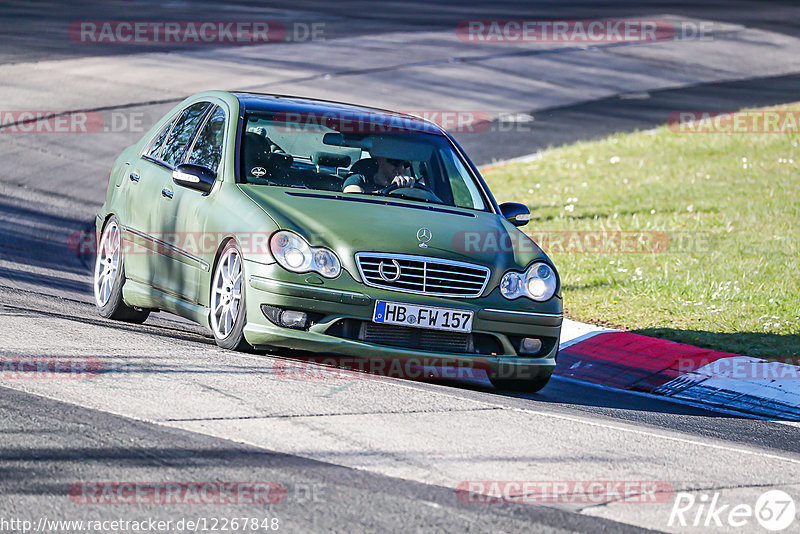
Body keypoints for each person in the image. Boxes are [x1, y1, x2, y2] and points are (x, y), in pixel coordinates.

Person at [342, 156, 415, 193]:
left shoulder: (412, 187)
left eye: (406, 164)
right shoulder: (359, 180)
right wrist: (388, 190)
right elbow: (353, 199)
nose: (401, 168)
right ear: (380, 161)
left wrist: (410, 190)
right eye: (395, 162)